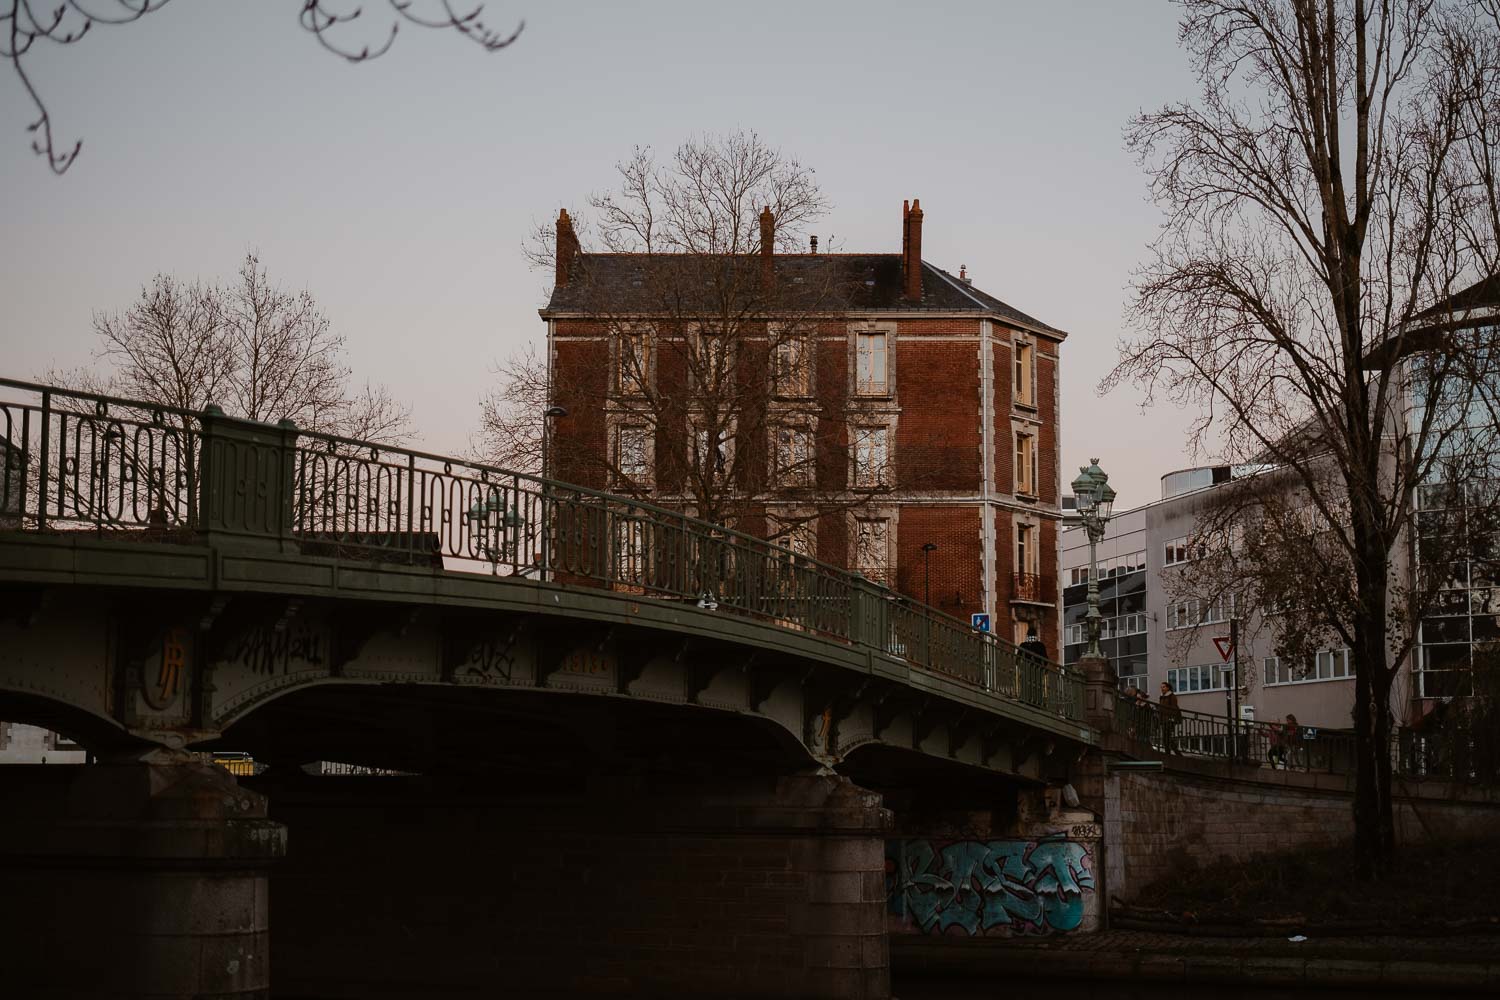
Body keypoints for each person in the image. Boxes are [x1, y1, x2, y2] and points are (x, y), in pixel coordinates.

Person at [1158, 681, 1181, 753]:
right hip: (1164, 720)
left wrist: (1171, 717)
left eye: (1164, 687)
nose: (1162, 688)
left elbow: (1174, 708)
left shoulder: (1172, 696)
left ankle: (1172, 752)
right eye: (1161, 687)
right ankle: (1170, 752)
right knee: (1166, 738)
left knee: (1167, 738)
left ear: (1168, 688)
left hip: (1169, 719)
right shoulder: (1162, 697)